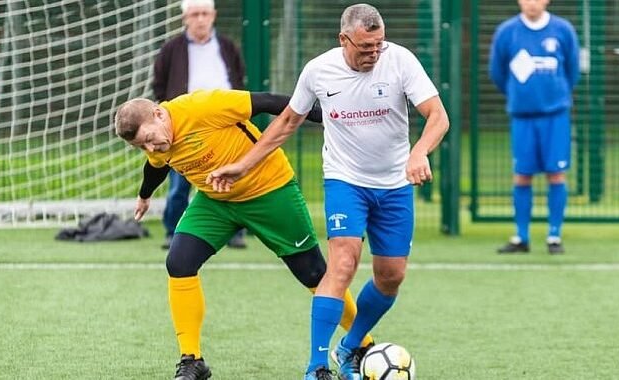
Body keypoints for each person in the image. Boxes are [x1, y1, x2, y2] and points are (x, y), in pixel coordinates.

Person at [207, 4, 449, 379]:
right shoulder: (318, 71)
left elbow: (438, 115)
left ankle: (349, 347)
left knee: (391, 276)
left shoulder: (400, 60)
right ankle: (316, 366)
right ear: (343, 39)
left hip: (394, 185)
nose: (373, 53)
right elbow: (287, 122)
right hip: (345, 180)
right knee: (343, 262)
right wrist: (243, 164)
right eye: (365, 46)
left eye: (378, 45)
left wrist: (419, 152)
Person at [114, 89, 374, 380]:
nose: (151, 149)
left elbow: (270, 102)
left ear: (160, 114)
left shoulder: (202, 106)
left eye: (149, 140)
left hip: (270, 191)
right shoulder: (160, 143)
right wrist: (144, 195)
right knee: (179, 263)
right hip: (216, 203)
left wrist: (329, 118)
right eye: (142, 146)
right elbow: (155, 167)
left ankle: (363, 345)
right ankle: (192, 360)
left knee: (314, 274)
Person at [153, 0, 247, 250]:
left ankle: (235, 232)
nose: (200, 19)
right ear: (185, 18)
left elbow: (238, 77)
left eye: (205, 13)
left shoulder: (227, 46)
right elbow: (159, 84)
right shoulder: (171, 49)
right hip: (185, 126)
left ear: (213, 15)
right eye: (195, 14)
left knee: (231, 180)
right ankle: (173, 231)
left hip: (224, 125)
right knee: (179, 185)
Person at [489, 0, 580, 255]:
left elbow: (572, 71)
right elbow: (497, 72)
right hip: (522, 115)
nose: (532, 3)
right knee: (522, 174)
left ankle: (554, 236)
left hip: (555, 115)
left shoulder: (563, 30)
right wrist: (519, 95)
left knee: (556, 173)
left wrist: (556, 96)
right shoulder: (507, 31)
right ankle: (522, 236)